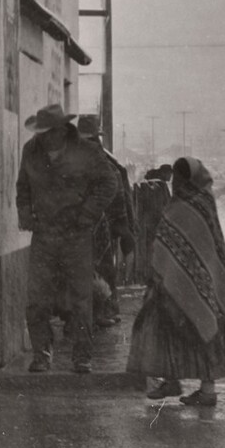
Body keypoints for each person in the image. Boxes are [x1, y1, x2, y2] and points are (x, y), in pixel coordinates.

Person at [127, 156, 225, 406]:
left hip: (197, 283)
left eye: (179, 177)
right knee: (169, 329)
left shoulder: (195, 204)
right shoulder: (193, 202)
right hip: (179, 281)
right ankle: (174, 382)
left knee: (198, 331)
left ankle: (205, 390)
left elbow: (209, 244)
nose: (175, 181)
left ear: (189, 179)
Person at [16, 104, 117, 373]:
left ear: (62, 129)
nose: (43, 137)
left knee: (81, 298)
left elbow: (109, 183)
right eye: (40, 132)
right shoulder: (31, 150)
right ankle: (41, 354)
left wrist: (87, 215)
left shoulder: (86, 151)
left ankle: (82, 356)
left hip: (76, 235)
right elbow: (22, 186)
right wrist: (25, 214)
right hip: (44, 235)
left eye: (48, 132)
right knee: (37, 298)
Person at [77, 118, 136, 327]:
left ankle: (98, 312)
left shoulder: (96, 159)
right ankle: (98, 312)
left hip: (95, 224)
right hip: (96, 224)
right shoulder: (103, 160)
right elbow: (118, 194)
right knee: (98, 269)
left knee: (95, 269)